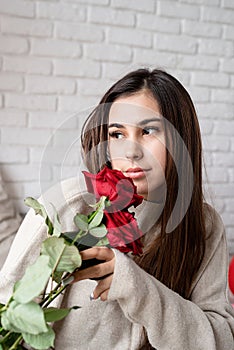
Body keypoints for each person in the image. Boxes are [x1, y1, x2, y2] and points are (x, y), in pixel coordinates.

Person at [0, 68, 233, 350]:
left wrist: (139, 289)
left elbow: (221, 340)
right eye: (117, 134)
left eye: (148, 131)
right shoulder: (66, 204)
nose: (131, 151)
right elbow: (7, 320)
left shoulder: (204, 225)